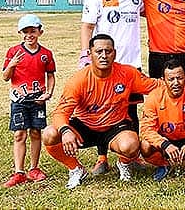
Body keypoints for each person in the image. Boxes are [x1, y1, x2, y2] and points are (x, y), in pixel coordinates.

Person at [42, 34, 162, 189]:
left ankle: (124, 164)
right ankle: (76, 169)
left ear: (115, 53)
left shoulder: (127, 73)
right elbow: (60, 112)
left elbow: (155, 86)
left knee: (131, 145)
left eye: (108, 51)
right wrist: (65, 131)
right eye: (99, 51)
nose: (104, 55)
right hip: (85, 126)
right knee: (49, 134)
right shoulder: (78, 80)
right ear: (90, 54)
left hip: (115, 126)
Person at [80, 0, 146, 174]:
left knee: (131, 111)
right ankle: (101, 158)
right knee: (104, 110)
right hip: (104, 64)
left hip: (131, 65)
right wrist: (85, 55)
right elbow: (87, 27)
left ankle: (132, 156)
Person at [1, 14, 56, 187]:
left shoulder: (46, 54)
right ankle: (19, 172)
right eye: (25, 31)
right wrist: (12, 64)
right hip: (19, 100)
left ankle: (34, 168)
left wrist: (48, 93)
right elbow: (5, 77)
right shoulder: (13, 52)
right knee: (19, 134)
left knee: (35, 133)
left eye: (33, 31)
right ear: (20, 33)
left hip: (37, 101)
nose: (29, 35)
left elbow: (50, 75)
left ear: (40, 32)